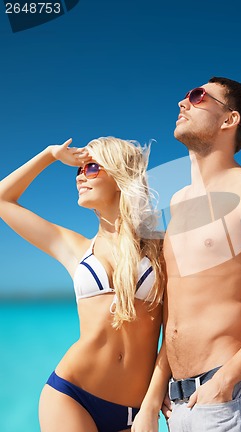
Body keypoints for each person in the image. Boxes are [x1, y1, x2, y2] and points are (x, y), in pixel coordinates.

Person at [132, 77, 241, 432]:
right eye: (185, 96)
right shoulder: (177, 203)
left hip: (226, 397)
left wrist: (225, 381)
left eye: (198, 97)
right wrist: (151, 396)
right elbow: (177, 315)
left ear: (229, 120)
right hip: (176, 403)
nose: (183, 102)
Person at [0, 137, 166, 432]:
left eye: (91, 168)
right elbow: (3, 199)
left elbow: (175, 330)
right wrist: (50, 154)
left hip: (134, 408)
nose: (79, 176)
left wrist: (153, 403)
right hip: (71, 394)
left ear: (118, 175)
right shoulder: (75, 248)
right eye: (78, 170)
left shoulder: (161, 250)